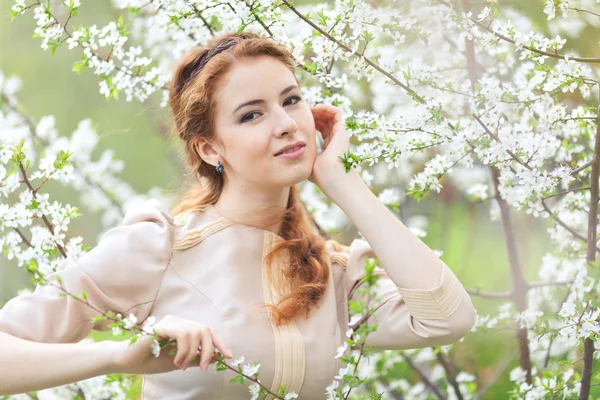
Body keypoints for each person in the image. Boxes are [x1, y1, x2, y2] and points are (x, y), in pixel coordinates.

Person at [0, 31, 477, 399]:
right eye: (252, 115)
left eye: (292, 100)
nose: (287, 124)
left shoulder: (332, 275)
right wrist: (118, 357)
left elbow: (449, 319)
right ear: (209, 148)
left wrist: (342, 181)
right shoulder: (159, 249)